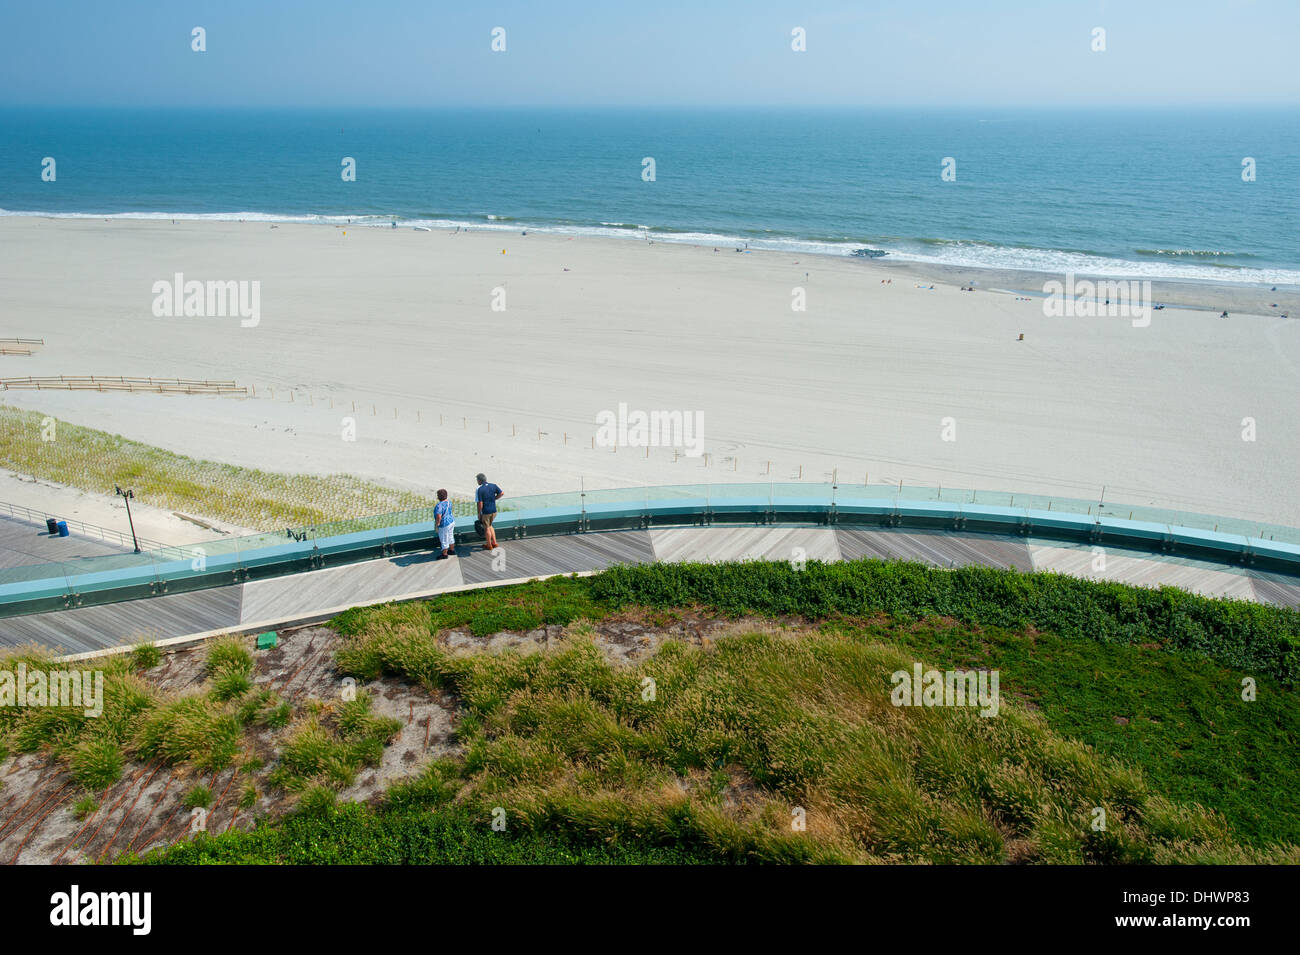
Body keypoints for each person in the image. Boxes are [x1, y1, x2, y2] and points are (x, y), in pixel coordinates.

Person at [475, 473, 504, 550]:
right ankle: (494, 542)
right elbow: (501, 493)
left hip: (486, 512)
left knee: (486, 528)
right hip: (494, 510)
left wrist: (479, 513)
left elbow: (480, 503)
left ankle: (489, 545)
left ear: (479, 480)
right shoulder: (493, 486)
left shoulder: (480, 489)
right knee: (490, 526)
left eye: (477, 480)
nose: (477, 481)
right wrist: (494, 498)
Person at [433, 489, 455, 558]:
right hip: (451, 521)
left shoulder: (439, 505)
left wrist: (437, 524)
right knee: (450, 536)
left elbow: (438, 516)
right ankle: (452, 550)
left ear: (439, 496)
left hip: (444, 524)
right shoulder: (449, 502)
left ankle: (444, 554)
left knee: (444, 539)